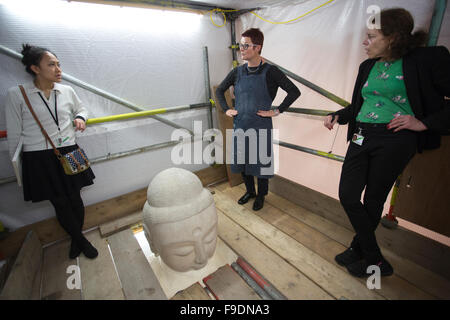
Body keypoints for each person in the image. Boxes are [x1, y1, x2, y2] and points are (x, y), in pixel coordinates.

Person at [324, 8, 450, 277]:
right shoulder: (367, 66)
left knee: (373, 199)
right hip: (361, 136)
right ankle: (373, 256)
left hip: (395, 139)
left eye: (371, 37)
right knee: (348, 194)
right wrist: (339, 115)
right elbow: (362, 103)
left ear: (392, 38)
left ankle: (358, 249)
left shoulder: (425, 60)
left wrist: (423, 122)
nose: (364, 43)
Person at [5, 44, 98, 259]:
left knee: (75, 197)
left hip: (69, 149)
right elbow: (14, 135)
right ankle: (80, 240)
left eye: (58, 64)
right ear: (35, 68)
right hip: (38, 157)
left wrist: (80, 118)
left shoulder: (66, 91)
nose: (58, 69)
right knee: (59, 201)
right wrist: (18, 169)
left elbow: (82, 109)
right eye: (51, 64)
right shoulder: (17, 94)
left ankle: (77, 239)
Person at [216, 28, 300, 211]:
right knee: (244, 163)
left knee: (261, 164)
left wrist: (277, 111)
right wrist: (227, 109)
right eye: (240, 45)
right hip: (241, 125)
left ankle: (261, 195)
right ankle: (250, 191)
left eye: (245, 46)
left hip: (261, 126)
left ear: (257, 47)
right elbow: (219, 90)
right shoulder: (237, 72)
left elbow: (294, 91)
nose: (241, 49)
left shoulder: (271, 72)